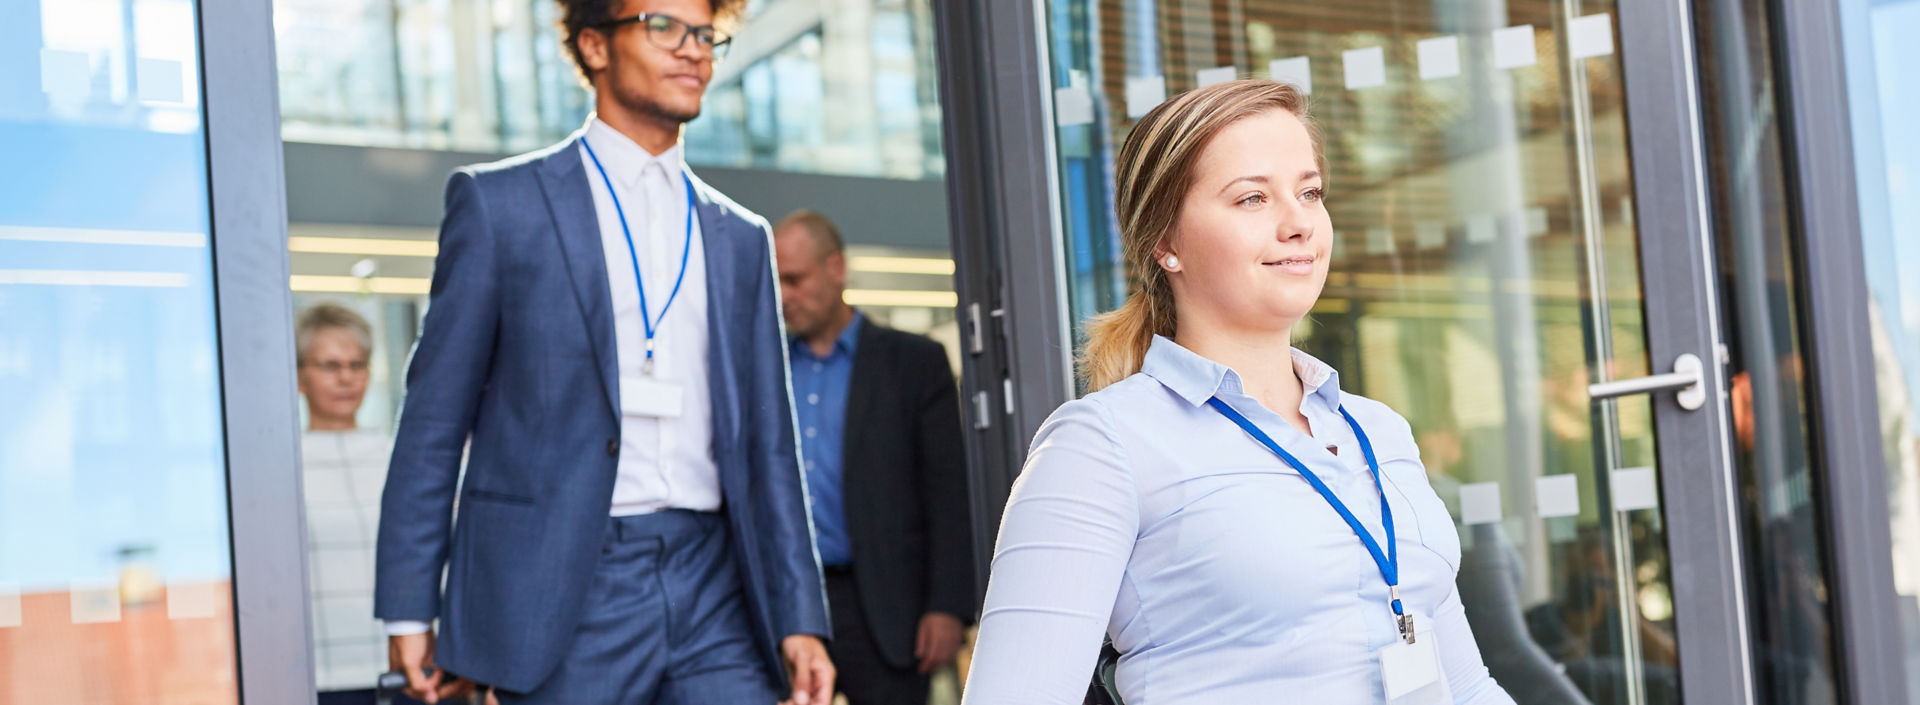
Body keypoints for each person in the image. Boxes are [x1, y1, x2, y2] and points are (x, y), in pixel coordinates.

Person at [960, 80, 1516, 704]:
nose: (1299, 222)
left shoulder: (1378, 430)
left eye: (1308, 192)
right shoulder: (1101, 445)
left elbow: (1467, 685)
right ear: (1166, 244)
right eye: (1253, 198)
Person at [372, 1, 834, 703]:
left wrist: (801, 615)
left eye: (706, 34)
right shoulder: (501, 207)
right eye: (664, 26)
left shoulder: (741, 237)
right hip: (565, 582)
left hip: (716, 582)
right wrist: (409, 604)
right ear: (593, 45)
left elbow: (772, 448)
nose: (693, 50)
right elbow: (434, 422)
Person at [772, 210, 976, 704]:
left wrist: (947, 606)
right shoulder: (766, 367)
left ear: (836, 268)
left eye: (795, 280)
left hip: (888, 610)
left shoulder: (914, 363)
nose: (783, 297)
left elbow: (947, 490)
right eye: (775, 282)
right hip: (791, 606)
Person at [296, 303, 422, 705]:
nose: (346, 377)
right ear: (300, 375)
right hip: (321, 673)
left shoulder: (403, 460)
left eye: (357, 364)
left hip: (406, 669)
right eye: (330, 366)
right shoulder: (279, 473)